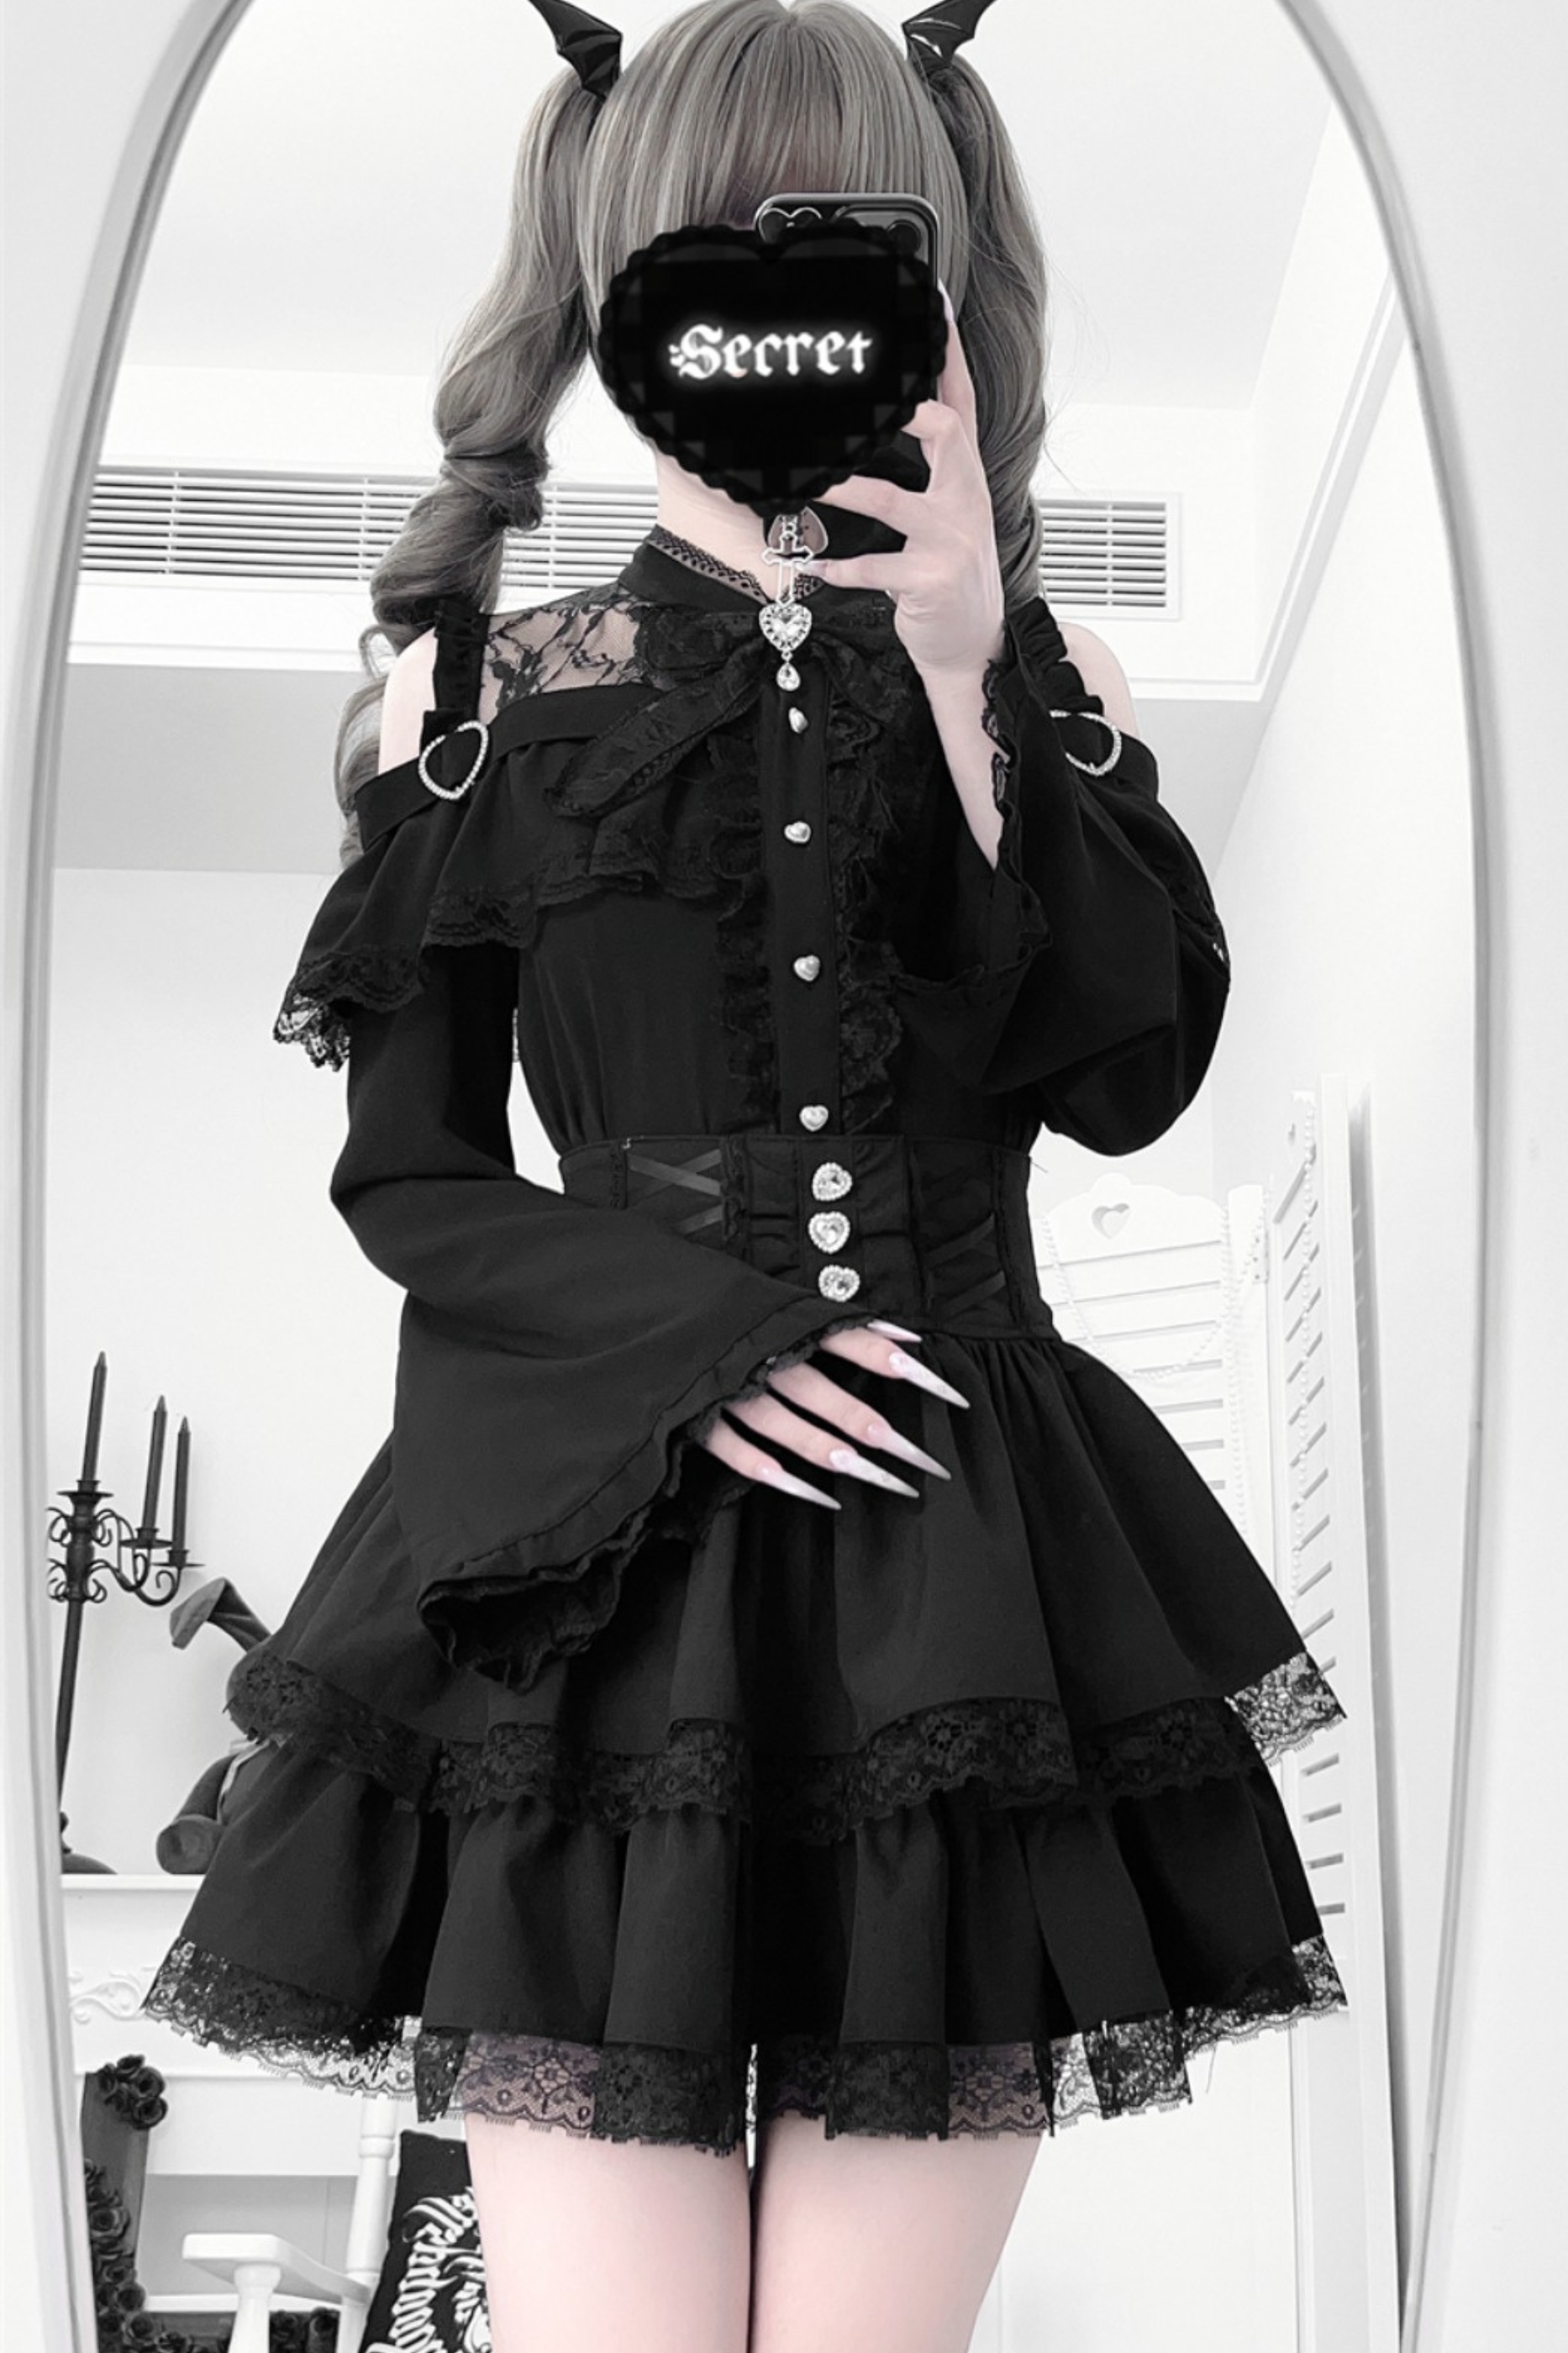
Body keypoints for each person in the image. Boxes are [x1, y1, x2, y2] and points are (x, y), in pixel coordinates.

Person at [141, 4, 1350, 2347]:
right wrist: (715, 1344)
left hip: (965, 1578)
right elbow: (412, 1181)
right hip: (590, 1592)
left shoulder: (1050, 680)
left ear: (929, 277)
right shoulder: (477, 696)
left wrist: (977, 668)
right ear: (622, 282)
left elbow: (1126, 1080)